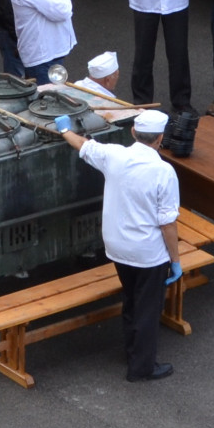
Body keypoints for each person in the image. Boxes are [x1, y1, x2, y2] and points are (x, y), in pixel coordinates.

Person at [54, 109, 184, 382]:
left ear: (134, 132)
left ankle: (131, 351)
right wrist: (175, 260)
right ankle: (142, 367)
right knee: (148, 309)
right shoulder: (164, 172)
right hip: (148, 253)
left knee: (131, 300)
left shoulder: (113, 155)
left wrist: (65, 129)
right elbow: (168, 224)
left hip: (117, 247)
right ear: (160, 138)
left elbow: (82, 144)